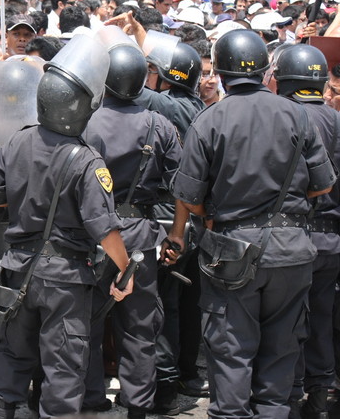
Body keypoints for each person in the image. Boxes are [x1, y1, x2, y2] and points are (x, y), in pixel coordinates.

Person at [171, 30, 335, 419]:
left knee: (231, 352)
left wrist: (217, 212)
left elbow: (189, 197)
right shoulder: (297, 113)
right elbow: (324, 183)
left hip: (232, 252)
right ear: (265, 72)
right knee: (281, 351)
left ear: (222, 73)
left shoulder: (209, 119)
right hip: (292, 250)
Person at [0, 36, 133, 418]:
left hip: (17, 269)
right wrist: (125, 268)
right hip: (64, 278)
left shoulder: (18, 140)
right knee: (63, 369)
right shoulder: (87, 160)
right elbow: (105, 229)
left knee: (12, 357)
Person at [81, 38, 182, 419]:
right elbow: (182, 187)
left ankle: (91, 397)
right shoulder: (160, 124)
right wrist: (177, 233)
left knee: (86, 320)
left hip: (91, 231)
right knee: (139, 325)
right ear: (142, 82)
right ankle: (137, 403)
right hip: (139, 233)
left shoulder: (83, 120)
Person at [273, 44, 340, 419]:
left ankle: (294, 395)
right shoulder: (335, 120)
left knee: (289, 325)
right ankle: (319, 394)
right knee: (322, 321)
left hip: (294, 238)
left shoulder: (284, 118)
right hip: (331, 240)